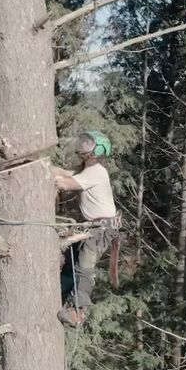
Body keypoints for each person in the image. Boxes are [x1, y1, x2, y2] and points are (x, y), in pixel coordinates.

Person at [53, 131, 121, 327]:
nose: (82, 146)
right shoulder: (87, 171)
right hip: (93, 227)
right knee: (69, 262)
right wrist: (49, 169)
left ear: (96, 150)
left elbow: (66, 183)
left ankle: (77, 312)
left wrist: (51, 177)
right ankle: (60, 296)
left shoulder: (96, 172)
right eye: (82, 142)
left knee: (84, 268)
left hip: (101, 229)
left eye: (87, 144)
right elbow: (68, 173)